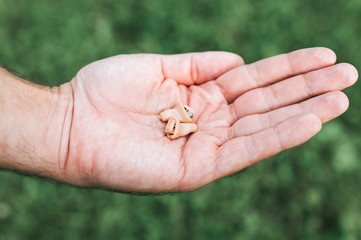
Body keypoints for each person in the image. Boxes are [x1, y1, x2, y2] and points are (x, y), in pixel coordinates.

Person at [0, 47, 357, 193]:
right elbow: (177, 119)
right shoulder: (176, 117)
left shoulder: (181, 118)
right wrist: (66, 120)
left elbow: (180, 119)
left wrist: (63, 120)